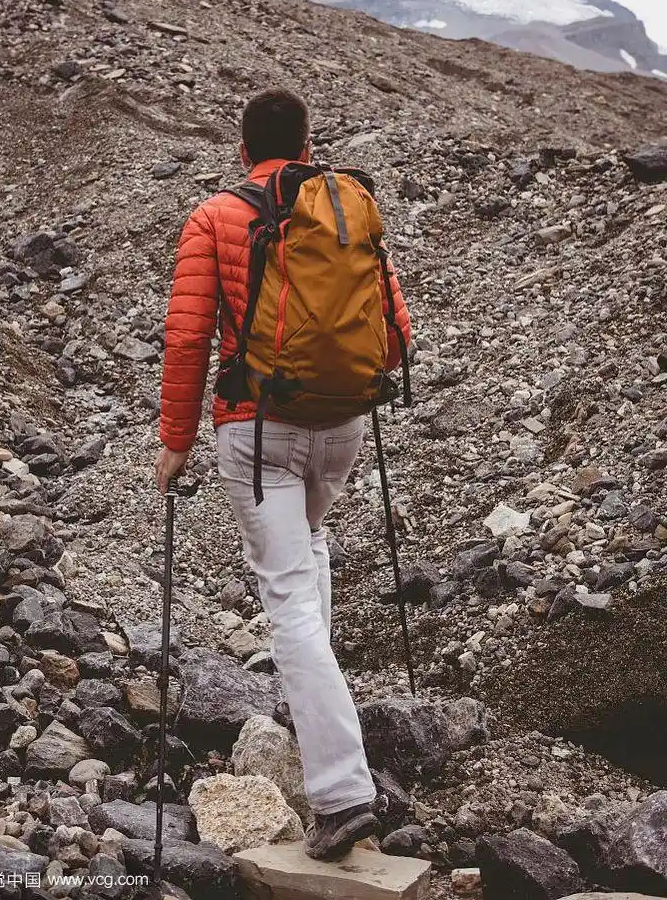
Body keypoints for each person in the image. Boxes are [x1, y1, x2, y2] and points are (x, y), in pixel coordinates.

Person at [154, 87, 411, 860]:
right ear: (306, 144)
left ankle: (340, 793)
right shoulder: (344, 206)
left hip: (256, 432)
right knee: (311, 545)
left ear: (242, 148)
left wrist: (174, 441)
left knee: (288, 598)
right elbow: (394, 333)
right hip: (341, 426)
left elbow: (188, 336)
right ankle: (317, 704)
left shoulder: (215, 216)